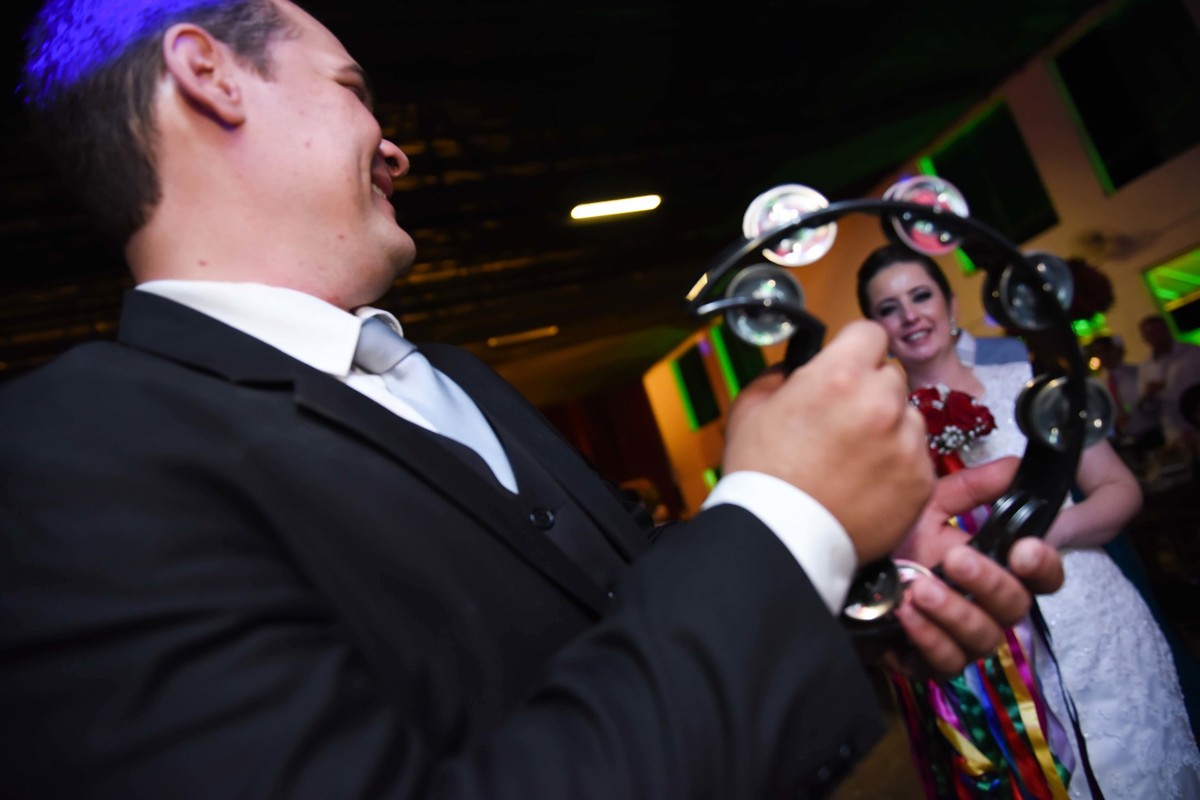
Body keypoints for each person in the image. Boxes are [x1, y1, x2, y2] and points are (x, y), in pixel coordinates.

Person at [0, 2, 1065, 797]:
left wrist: (852, 576)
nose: (394, 144)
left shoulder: (456, 374)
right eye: (352, 88)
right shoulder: (62, 456)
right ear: (210, 76)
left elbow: (618, 618)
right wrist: (786, 521)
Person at [857, 244, 1200, 799]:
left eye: (921, 296)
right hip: (993, 656)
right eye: (888, 308)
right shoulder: (881, 436)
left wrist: (1048, 533)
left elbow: (1119, 489)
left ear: (949, 303)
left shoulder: (1028, 383)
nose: (910, 315)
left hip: (1092, 616)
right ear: (876, 331)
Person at [1135, 314, 1200, 450]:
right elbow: (1148, 408)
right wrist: (1149, 395)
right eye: (1151, 334)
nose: (1157, 337)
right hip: (1175, 433)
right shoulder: (1146, 367)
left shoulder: (1193, 353)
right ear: (1145, 338)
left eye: (1159, 331)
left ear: (1168, 330)